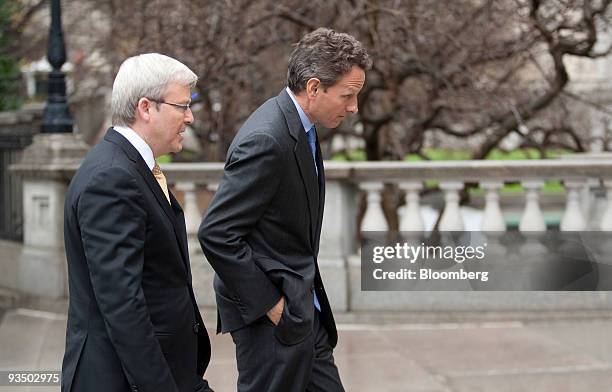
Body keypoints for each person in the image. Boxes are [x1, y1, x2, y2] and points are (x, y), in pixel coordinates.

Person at [198, 28, 371, 391]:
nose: (354, 107)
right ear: (313, 88)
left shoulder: (300, 127)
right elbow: (216, 233)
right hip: (272, 322)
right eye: (348, 96)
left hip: (302, 314)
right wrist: (272, 306)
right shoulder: (267, 139)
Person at [61, 53, 213, 392]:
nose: (189, 117)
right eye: (182, 106)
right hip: (124, 379)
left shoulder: (132, 167)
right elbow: (122, 304)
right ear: (146, 108)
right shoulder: (112, 178)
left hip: (166, 369)